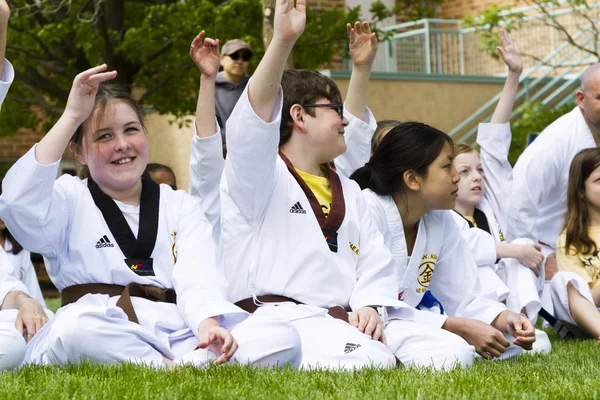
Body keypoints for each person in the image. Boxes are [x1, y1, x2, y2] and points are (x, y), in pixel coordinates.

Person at [0, 65, 301, 368]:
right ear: (78, 153)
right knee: (75, 328)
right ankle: (182, 367)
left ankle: (181, 364)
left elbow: (198, 272)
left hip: (177, 326)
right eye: (104, 136)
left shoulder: (178, 204)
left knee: (280, 334)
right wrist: (72, 117)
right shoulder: (68, 198)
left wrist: (207, 323)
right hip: (105, 325)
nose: (122, 144)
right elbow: (18, 203)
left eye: (131, 130)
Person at [220, 0, 421, 369]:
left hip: (336, 322)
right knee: (368, 361)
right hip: (273, 319)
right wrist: (282, 41)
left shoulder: (351, 191)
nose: (345, 121)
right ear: (298, 115)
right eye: (335, 110)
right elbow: (252, 124)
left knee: (447, 352)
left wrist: (371, 305)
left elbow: (374, 263)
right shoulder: (258, 176)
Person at [351, 122, 538, 362]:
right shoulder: (368, 208)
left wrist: (502, 318)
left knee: (527, 343)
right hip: (364, 323)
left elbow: (461, 294)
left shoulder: (440, 218)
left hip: (414, 322)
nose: (455, 178)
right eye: (448, 166)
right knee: (455, 354)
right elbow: (374, 303)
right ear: (412, 179)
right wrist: (457, 326)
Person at [450, 29, 546, 329]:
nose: (477, 177)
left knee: (520, 245)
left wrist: (513, 74)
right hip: (471, 304)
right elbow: (467, 249)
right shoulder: (441, 217)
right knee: (499, 258)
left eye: (479, 170)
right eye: (464, 172)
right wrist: (514, 250)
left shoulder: (490, 205)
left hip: (509, 302)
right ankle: (504, 328)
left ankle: (524, 326)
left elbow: (493, 143)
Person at [507, 61, 600, 314]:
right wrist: (534, 256)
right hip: (550, 251)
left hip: (593, 243)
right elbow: (517, 203)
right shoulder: (555, 142)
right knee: (567, 289)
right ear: (581, 99)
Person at [550, 148, 600, 342]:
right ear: (580, 191)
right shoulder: (569, 240)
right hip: (591, 315)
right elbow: (584, 299)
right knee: (561, 280)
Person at [215, 39, 253, 142]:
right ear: (221, 59)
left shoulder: (254, 87)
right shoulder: (209, 86)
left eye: (245, 57)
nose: (240, 61)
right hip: (221, 149)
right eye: (234, 56)